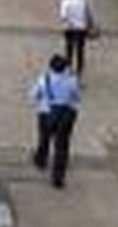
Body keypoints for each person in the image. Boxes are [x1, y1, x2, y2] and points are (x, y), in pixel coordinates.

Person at [29, 54, 81, 188]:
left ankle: (41, 160)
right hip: (65, 115)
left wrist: (43, 99)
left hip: (46, 113)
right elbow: (77, 97)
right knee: (62, 146)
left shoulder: (44, 79)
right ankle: (58, 178)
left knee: (44, 138)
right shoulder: (72, 81)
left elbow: (33, 95)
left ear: (51, 66)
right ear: (65, 68)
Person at [59, 0, 93, 75]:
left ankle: (68, 69)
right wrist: (90, 26)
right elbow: (88, 15)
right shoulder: (83, 1)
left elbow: (63, 16)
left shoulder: (65, 2)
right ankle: (79, 71)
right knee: (80, 51)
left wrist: (70, 24)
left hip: (69, 29)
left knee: (69, 49)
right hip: (81, 29)